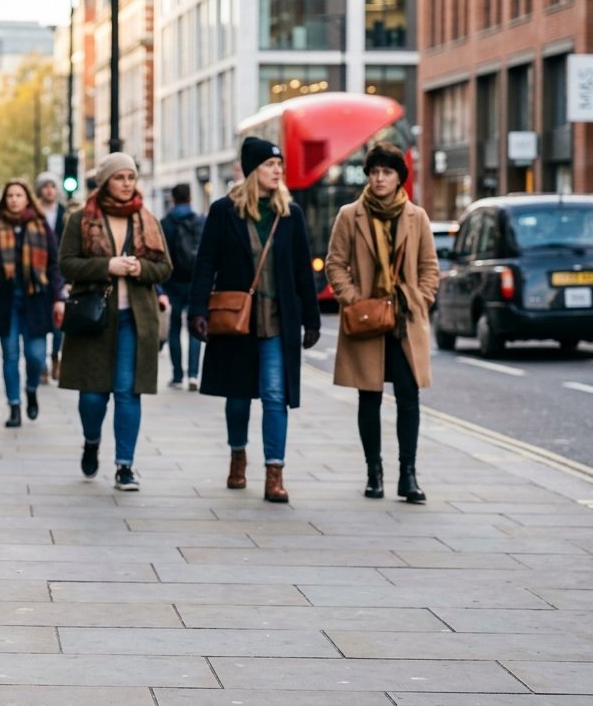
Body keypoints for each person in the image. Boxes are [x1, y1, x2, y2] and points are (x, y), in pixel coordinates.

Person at [188, 138, 321, 503]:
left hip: (278, 321)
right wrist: (197, 310)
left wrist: (311, 319)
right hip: (237, 321)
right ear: (252, 171)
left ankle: (274, 473)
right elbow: (206, 264)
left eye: (279, 164)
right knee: (238, 398)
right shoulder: (223, 212)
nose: (277, 170)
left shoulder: (289, 213)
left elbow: (302, 271)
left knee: (275, 395)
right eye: (269, 165)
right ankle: (237, 454)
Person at [325, 141, 439, 504]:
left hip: (404, 319)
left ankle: (408, 475)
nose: (379, 179)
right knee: (369, 397)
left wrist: (420, 298)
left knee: (409, 396)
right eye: (374, 172)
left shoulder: (416, 217)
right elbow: (335, 264)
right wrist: (355, 300)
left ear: (399, 177)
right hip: (366, 319)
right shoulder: (350, 215)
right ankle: (374, 473)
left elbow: (429, 267)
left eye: (387, 172)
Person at [57, 153, 172, 491]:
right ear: (105, 181)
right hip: (94, 318)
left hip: (134, 319)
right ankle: (91, 441)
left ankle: (125, 465)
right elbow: (66, 265)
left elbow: (165, 267)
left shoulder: (147, 219)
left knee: (127, 392)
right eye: (119, 177)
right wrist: (107, 266)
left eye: (131, 177)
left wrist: (140, 269)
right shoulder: (80, 220)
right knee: (93, 396)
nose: (126, 184)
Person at [0, 179, 65, 427]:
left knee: (36, 356)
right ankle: (14, 405)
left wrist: (59, 298)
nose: (14, 199)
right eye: (10, 195)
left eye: (19, 195)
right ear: (5, 200)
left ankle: (31, 388)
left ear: (27, 199)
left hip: (36, 300)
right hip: (5, 302)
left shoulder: (40, 226)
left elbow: (54, 265)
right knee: (10, 355)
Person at [160, 183, 206, 390]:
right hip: (195, 281)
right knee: (195, 327)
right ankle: (194, 375)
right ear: (189, 198)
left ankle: (177, 375)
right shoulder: (199, 221)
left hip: (172, 282)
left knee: (175, 329)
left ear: (173, 198)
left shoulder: (165, 224)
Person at [36, 172, 71, 382]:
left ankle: (56, 357)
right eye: (45, 186)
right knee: (40, 321)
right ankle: (41, 365)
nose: (49, 190)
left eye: (52, 186)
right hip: (39, 271)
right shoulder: (33, 212)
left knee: (60, 321)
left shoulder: (65, 214)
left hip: (60, 272)